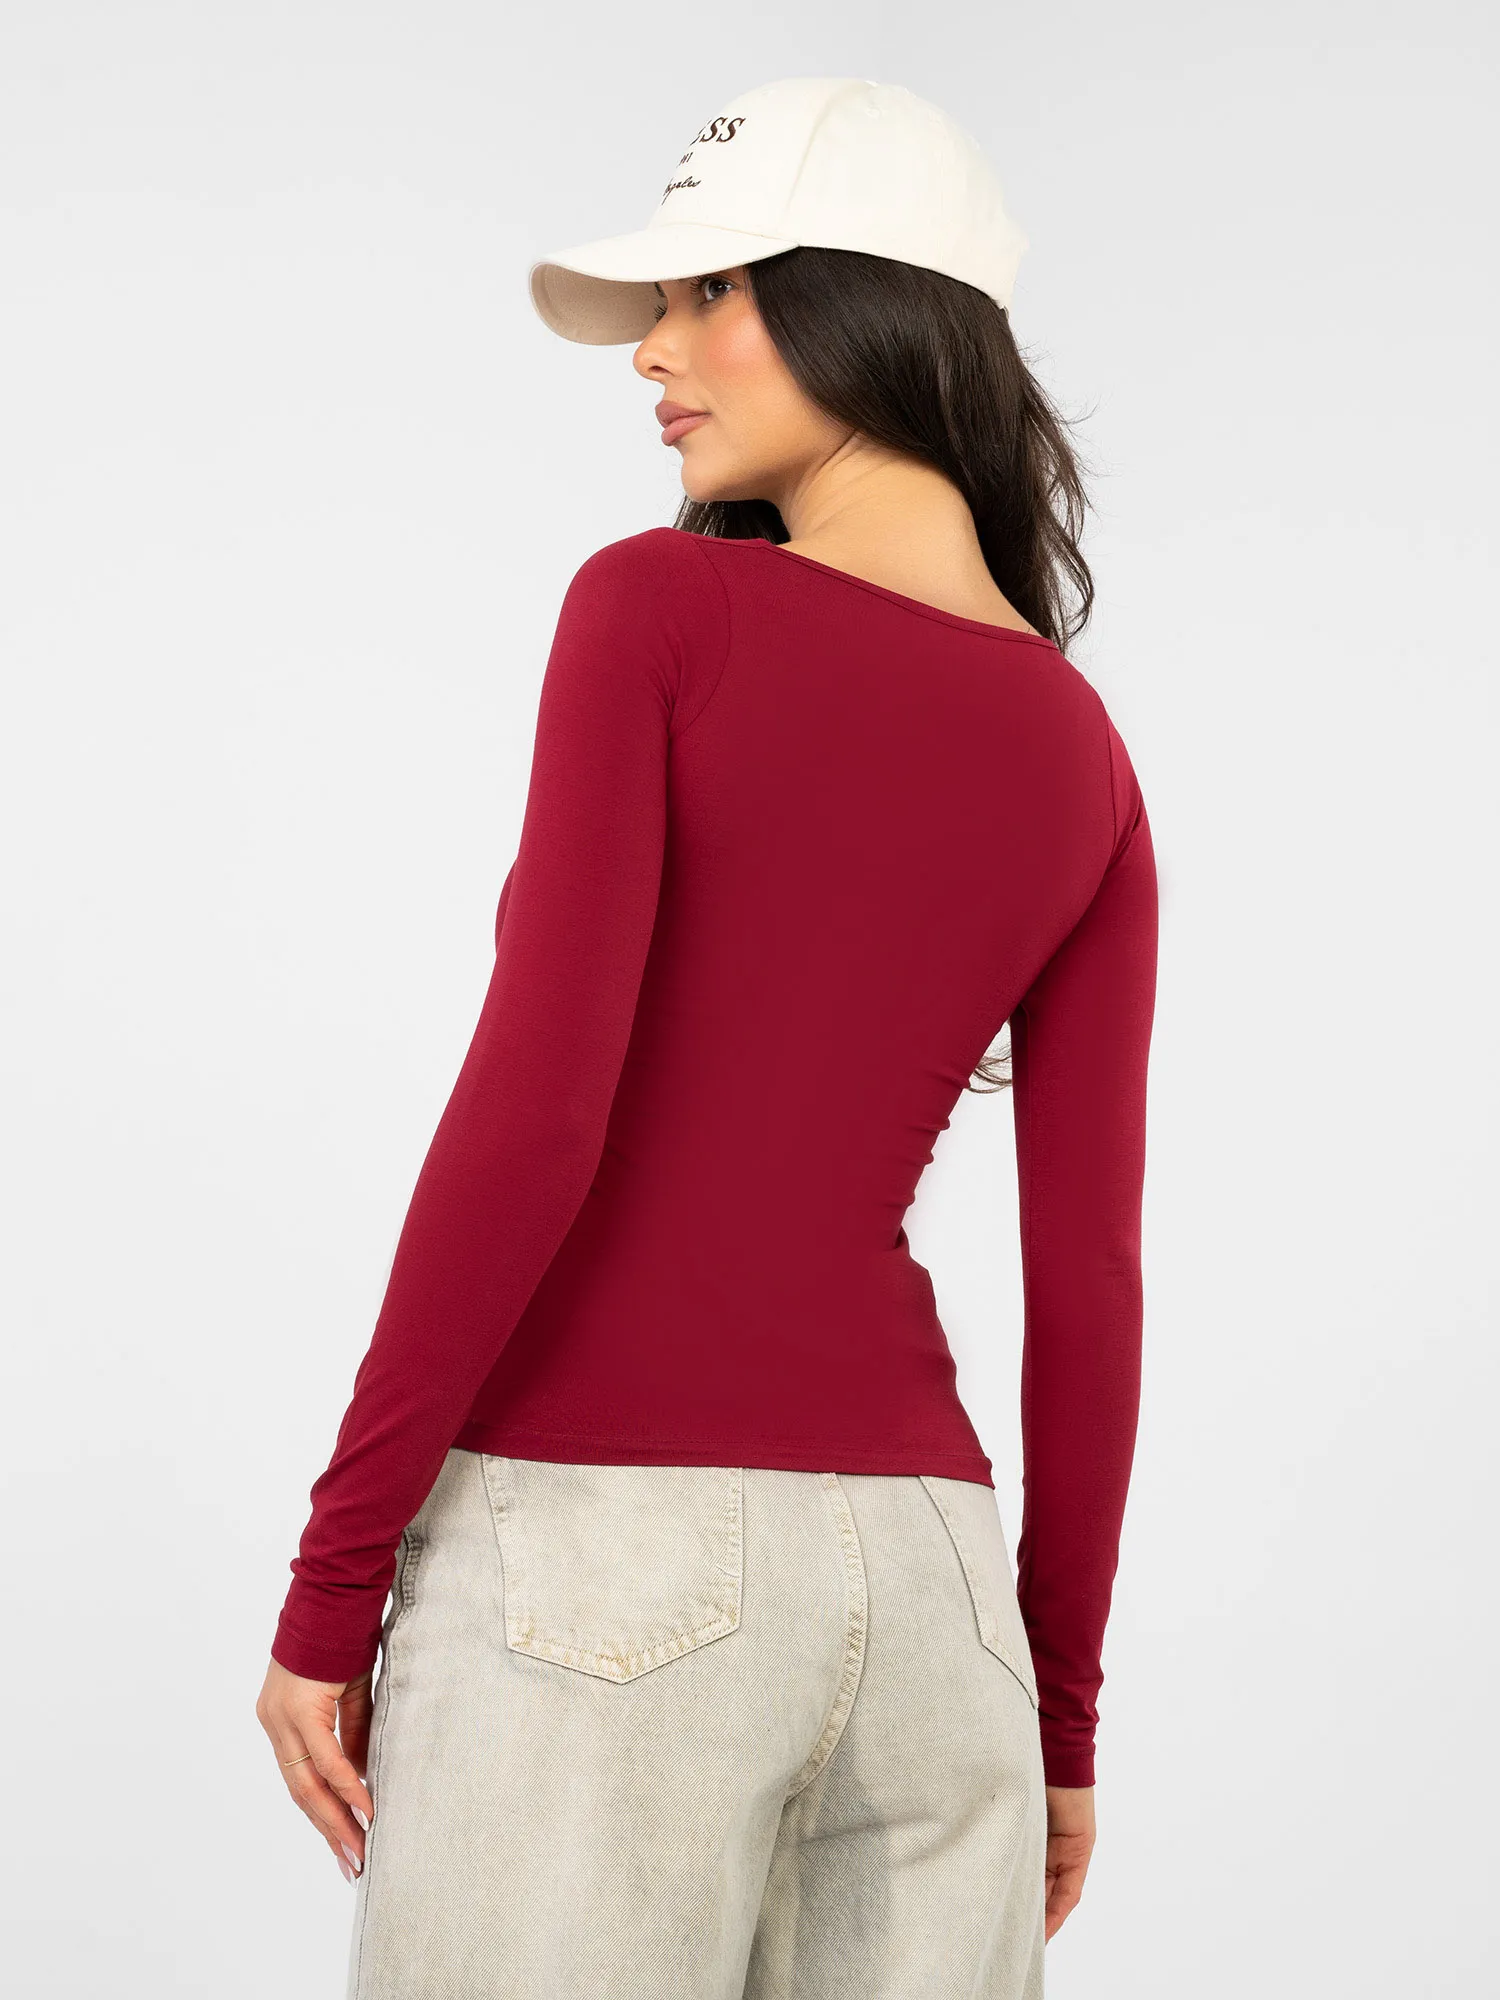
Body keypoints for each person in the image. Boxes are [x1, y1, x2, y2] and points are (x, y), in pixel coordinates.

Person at [255, 75, 1159, 1999]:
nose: (652, 352)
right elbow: (1090, 1282)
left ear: (868, 304)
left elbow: (536, 1119)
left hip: (605, 1566)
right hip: (939, 1618)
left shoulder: (661, 611)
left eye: (710, 291)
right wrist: (1060, 1718)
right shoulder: (1085, 757)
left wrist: (336, 1581)